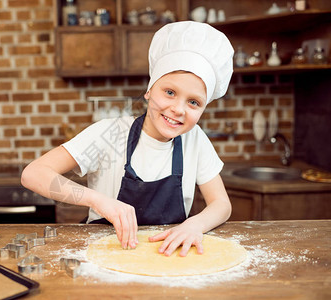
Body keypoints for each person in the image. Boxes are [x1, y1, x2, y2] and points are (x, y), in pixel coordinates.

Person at [21, 21, 234, 257]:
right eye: (170, 92)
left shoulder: (195, 140)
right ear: (149, 90)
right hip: (107, 253)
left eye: (193, 102)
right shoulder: (111, 134)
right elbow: (34, 174)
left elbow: (221, 205)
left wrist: (195, 225)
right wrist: (99, 201)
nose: (178, 109)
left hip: (166, 256)